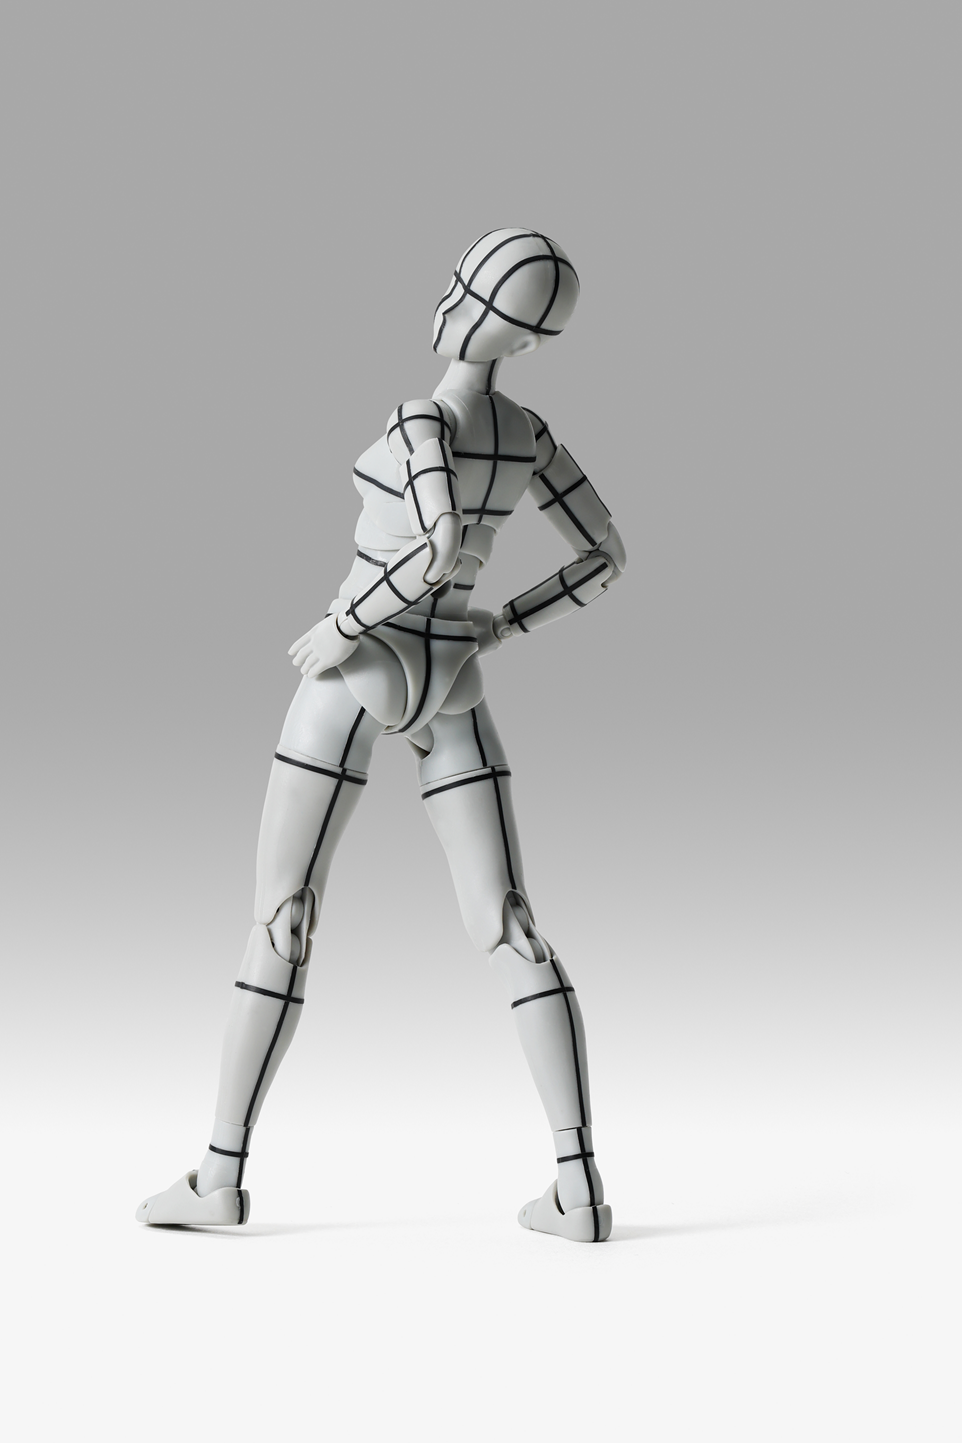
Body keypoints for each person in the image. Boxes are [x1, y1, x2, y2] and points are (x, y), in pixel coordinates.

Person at [137, 228, 626, 1242]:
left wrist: (343, 626)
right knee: (510, 923)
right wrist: (501, 623)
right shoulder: (527, 434)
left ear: (474, 306)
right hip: (452, 675)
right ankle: (579, 1185)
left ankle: (219, 1177)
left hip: (360, 666)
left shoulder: (419, 417)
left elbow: (436, 543)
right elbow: (604, 554)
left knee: (283, 917)